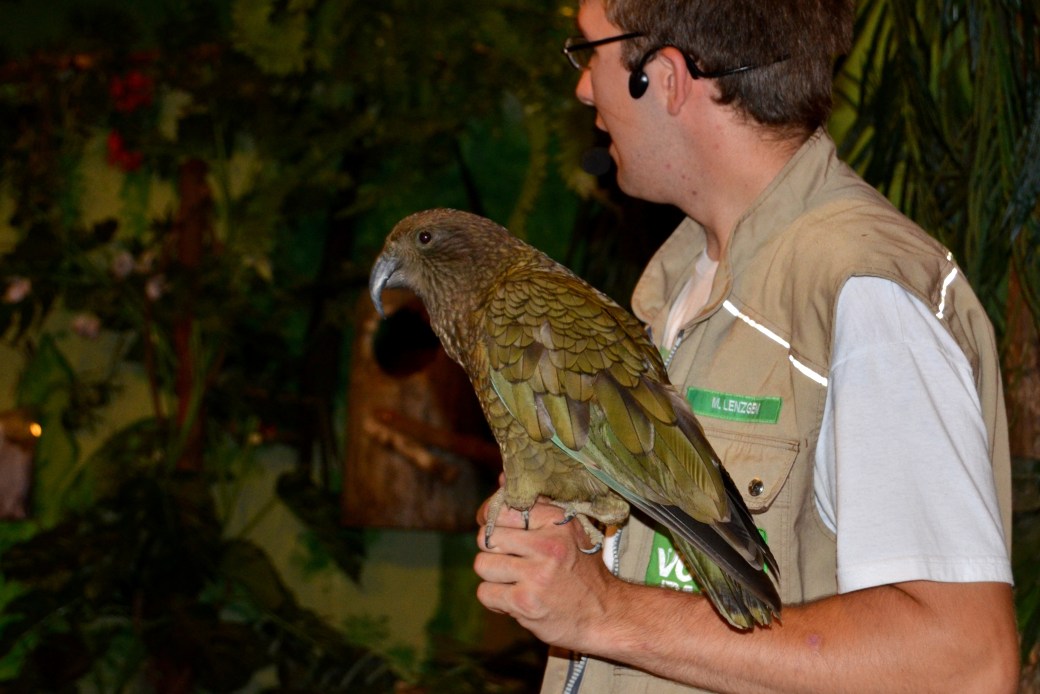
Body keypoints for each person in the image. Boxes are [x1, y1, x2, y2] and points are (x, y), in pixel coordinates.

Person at [471, 0, 1022, 692]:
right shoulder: (670, 287)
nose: (583, 87)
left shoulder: (862, 294)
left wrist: (607, 613)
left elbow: (964, 663)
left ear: (664, 78)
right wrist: (578, 535)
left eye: (590, 52)